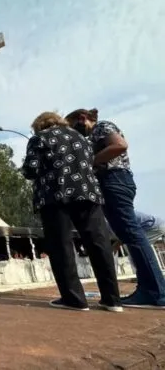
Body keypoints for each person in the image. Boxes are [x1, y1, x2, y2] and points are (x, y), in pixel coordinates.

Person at [21, 111, 122, 312]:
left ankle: (74, 299)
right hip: (88, 194)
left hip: (55, 195)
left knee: (61, 246)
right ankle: (112, 300)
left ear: (39, 126)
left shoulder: (39, 138)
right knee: (99, 244)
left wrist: (26, 169)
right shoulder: (82, 139)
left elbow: (31, 169)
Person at [66, 108, 165, 309]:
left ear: (83, 119)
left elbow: (119, 145)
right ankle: (150, 289)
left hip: (115, 180)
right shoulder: (93, 136)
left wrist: (89, 163)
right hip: (113, 182)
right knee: (129, 235)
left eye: (73, 127)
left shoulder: (103, 126)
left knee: (132, 234)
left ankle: (156, 292)